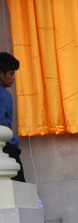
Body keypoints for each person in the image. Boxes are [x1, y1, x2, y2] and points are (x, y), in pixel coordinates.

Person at [0, 52, 24, 182]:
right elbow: (2, 125)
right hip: (6, 148)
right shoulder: (4, 96)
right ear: (0, 74)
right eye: (11, 73)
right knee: (19, 186)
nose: (13, 78)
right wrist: (13, 141)